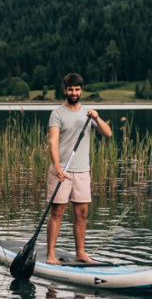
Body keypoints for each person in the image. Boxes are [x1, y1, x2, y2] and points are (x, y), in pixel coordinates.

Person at [46, 73, 112, 264]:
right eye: (70, 89)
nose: (73, 92)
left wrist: (97, 118)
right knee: (57, 212)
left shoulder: (88, 113)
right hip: (62, 171)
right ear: (65, 90)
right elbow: (53, 141)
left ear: (81, 91)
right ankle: (50, 254)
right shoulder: (57, 113)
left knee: (81, 214)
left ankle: (80, 253)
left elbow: (107, 133)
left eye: (77, 89)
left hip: (82, 171)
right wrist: (57, 167)